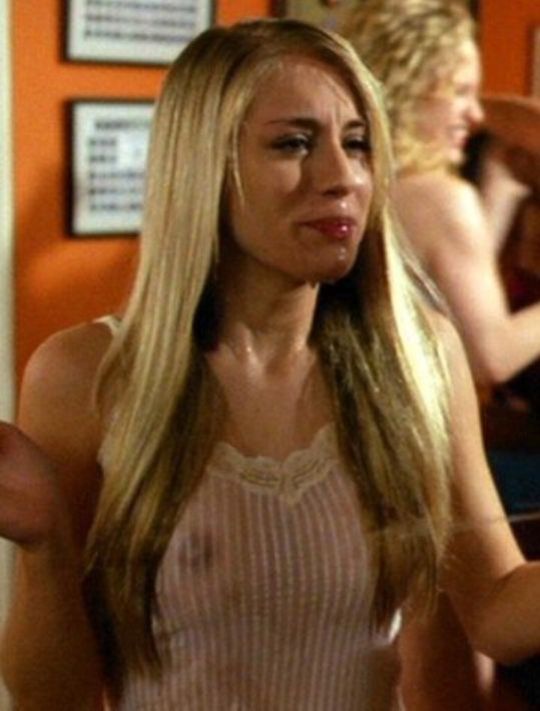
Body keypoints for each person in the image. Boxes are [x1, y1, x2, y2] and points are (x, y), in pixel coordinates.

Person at [0, 17, 539, 711]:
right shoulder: (86, 375)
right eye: (294, 143)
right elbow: (53, 697)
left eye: (356, 144)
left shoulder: (419, 356)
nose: (342, 178)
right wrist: (45, 548)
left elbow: (496, 608)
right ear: (206, 166)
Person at [341, 0, 540, 707]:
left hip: (358, 452)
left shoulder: (360, 187)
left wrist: (495, 196)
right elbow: (490, 354)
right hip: (431, 459)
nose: (474, 113)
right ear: (407, 83)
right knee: (455, 678)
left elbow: (441, 297)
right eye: (456, 90)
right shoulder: (441, 197)